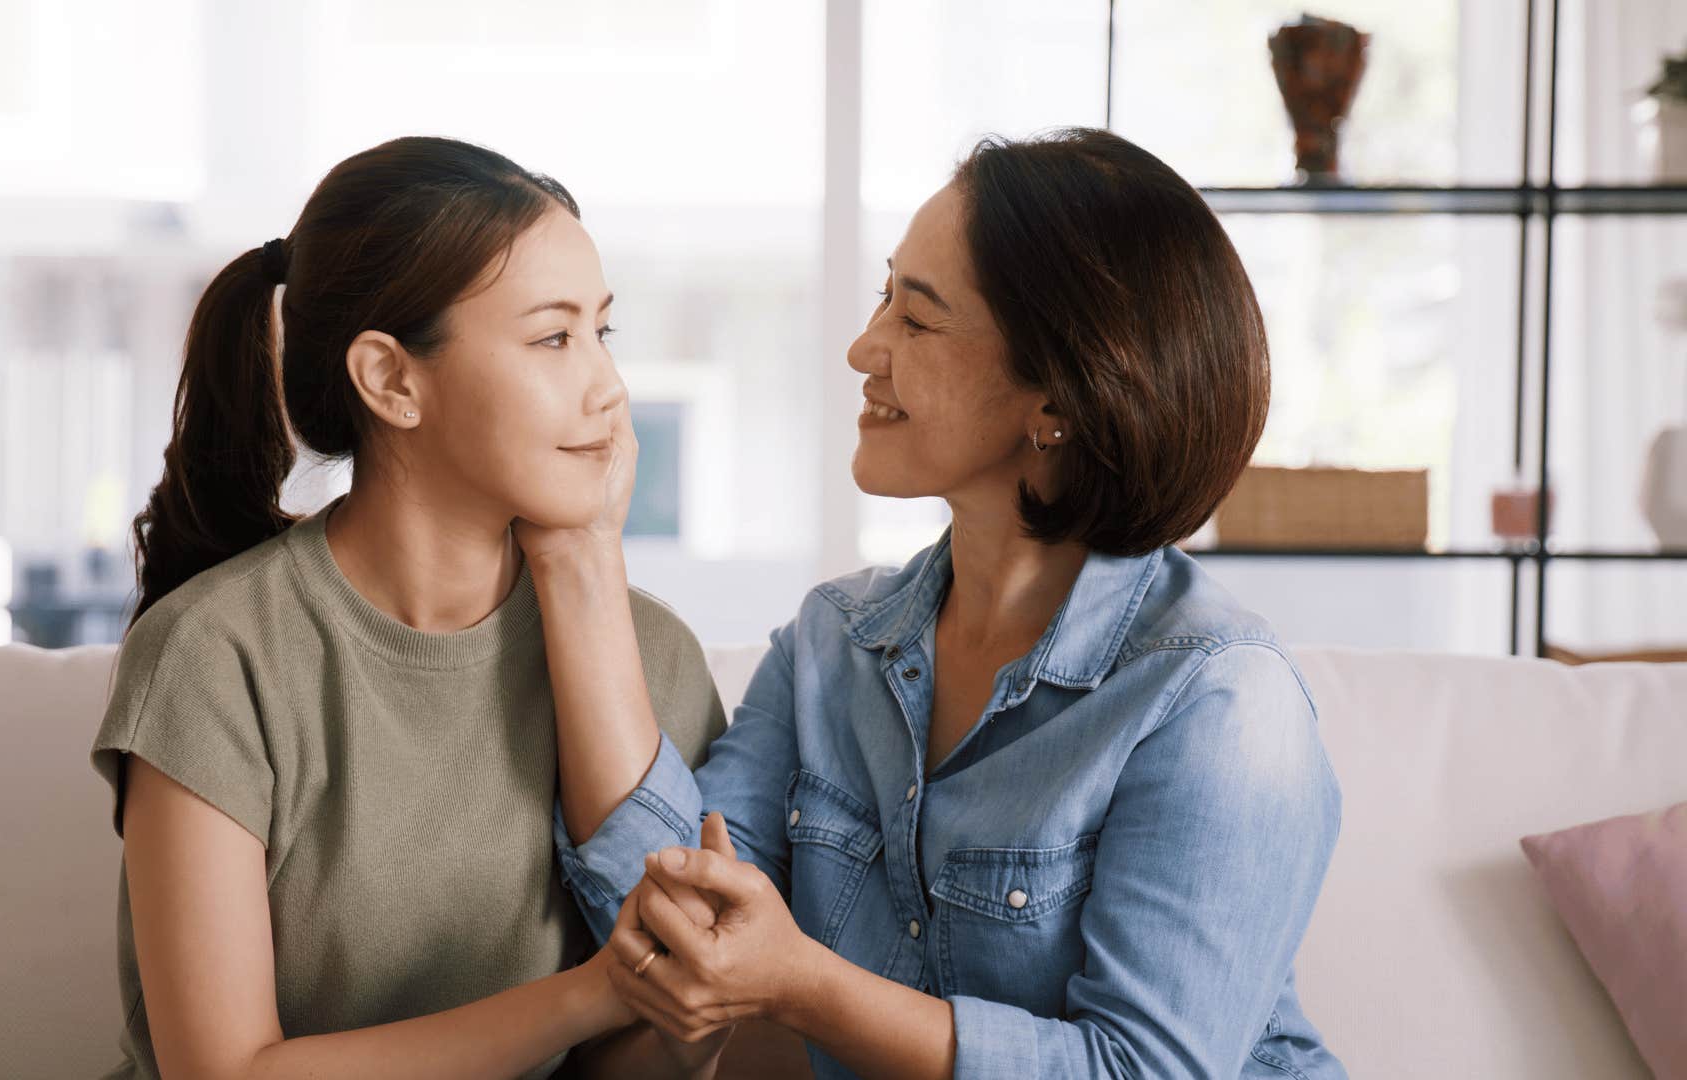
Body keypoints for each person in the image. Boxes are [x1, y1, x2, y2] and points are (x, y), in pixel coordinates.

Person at [550, 128, 1349, 1080]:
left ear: (1057, 397)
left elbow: (1144, 1070)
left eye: (916, 320)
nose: (862, 347)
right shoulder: (832, 645)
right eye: (884, 295)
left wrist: (801, 984)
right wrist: (581, 546)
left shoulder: (1217, 699)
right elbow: (676, 924)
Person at [88, 135, 725, 1079]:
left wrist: (583, 559)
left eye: (603, 332)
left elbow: (679, 1038)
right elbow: (224, 1073)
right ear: (392, 379)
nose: (610, 389)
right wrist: (589, 995)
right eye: (554, 338)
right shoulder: (216, 658)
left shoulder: (652, 659)